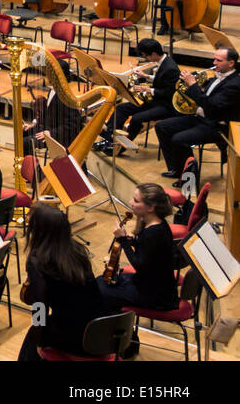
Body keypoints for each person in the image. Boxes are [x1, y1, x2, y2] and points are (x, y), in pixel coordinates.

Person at [18, 205, 113, 360]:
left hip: (77, 339)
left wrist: (39, 338)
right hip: (100, 331)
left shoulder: (38, 260)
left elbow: (39, 306)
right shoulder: (78, 250)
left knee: (32, 339)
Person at [97, 183, 179, 355]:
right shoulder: (157, 225)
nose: (131, 202)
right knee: (100, 282)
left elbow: (139, 265)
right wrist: (132, 239)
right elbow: (147, 250)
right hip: (151, 285)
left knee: (101, 291)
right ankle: (127, 342)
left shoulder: (154, 232)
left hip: (154, 295)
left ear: (150, 207)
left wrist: (124, 241)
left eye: (136, 200)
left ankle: (124, 345)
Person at [155, 45, 240, 179]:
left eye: (218, 60)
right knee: (162, 127)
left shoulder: (235, 84)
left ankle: (189, 178)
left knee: (179, 139)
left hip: (216, 126)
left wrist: (193, 85)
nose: (214, 63)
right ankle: (176, 169)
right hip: (200, 119)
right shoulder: (218, 76)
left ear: (231, 63)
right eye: (214, 59)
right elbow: (205, 97)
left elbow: (211, 105)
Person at [99, 38, 178, 154]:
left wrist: (149, 89)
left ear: (154, 54)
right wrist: (146, 76)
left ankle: (121, 148)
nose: (146, 59)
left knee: (137, 118)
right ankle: (110, 138)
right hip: (156, 101)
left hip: (166, 106)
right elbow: (163, 80)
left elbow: (170, 92)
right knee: (121, 108)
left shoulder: (171, 68)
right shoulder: (163, 63)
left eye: (146, 56)